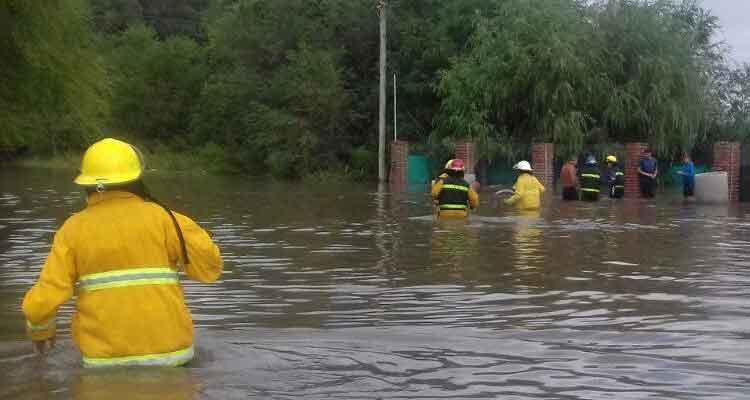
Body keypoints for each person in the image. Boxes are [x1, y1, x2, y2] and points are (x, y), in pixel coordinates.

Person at [22, 138, 223, 368]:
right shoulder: (168, 219)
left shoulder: (72, 230)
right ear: (136, 178)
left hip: (104, 361)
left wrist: (40, 332)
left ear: (86, 184)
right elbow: (209, 271)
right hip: (173, 356)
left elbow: (42, 301)